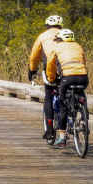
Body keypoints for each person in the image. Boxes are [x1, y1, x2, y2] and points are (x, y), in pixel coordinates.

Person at [45, 28, 89, 147]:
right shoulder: (78, 46)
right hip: (83, 78)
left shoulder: (57, 47)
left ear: (60, 39)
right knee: (81, 94)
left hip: (67, 79)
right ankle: (84, 114)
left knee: (62, 103)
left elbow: (50, 64)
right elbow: (83, 61)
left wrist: (51, 78)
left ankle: (62, 136)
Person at [28, 14, 63, 142]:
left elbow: (34, 57)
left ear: (47, 25)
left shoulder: (42, 36)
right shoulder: (66, 34)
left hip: (50, 69)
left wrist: (32, 71)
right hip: (66, 68)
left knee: (49, 96)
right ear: (61, 25)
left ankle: (49, 130)